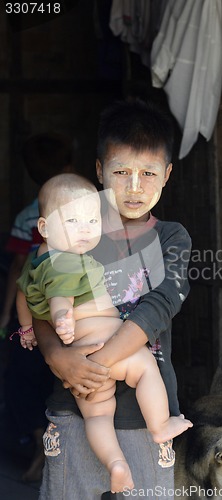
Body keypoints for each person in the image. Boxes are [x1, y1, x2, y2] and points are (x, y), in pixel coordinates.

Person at [33, 100, 192, 500]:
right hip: (75, 409)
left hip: (144, 414)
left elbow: (159, 306)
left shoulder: (171, 238)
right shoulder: (74, 231)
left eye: (149, 173)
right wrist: (55, 356)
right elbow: (39, 298)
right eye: (121, 172)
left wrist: (92, 366)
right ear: (101, 170)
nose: (135, 186)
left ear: (167, 175)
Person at [0, 132, 74, 483]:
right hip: (63, 315)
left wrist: (8, 318)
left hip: (31, 312)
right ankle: (48, 454)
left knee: (22, 383)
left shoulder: (30, 214)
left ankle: (41, 451)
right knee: (54, 384)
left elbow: (18, 270)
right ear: (69, 166)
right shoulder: (84, 213)